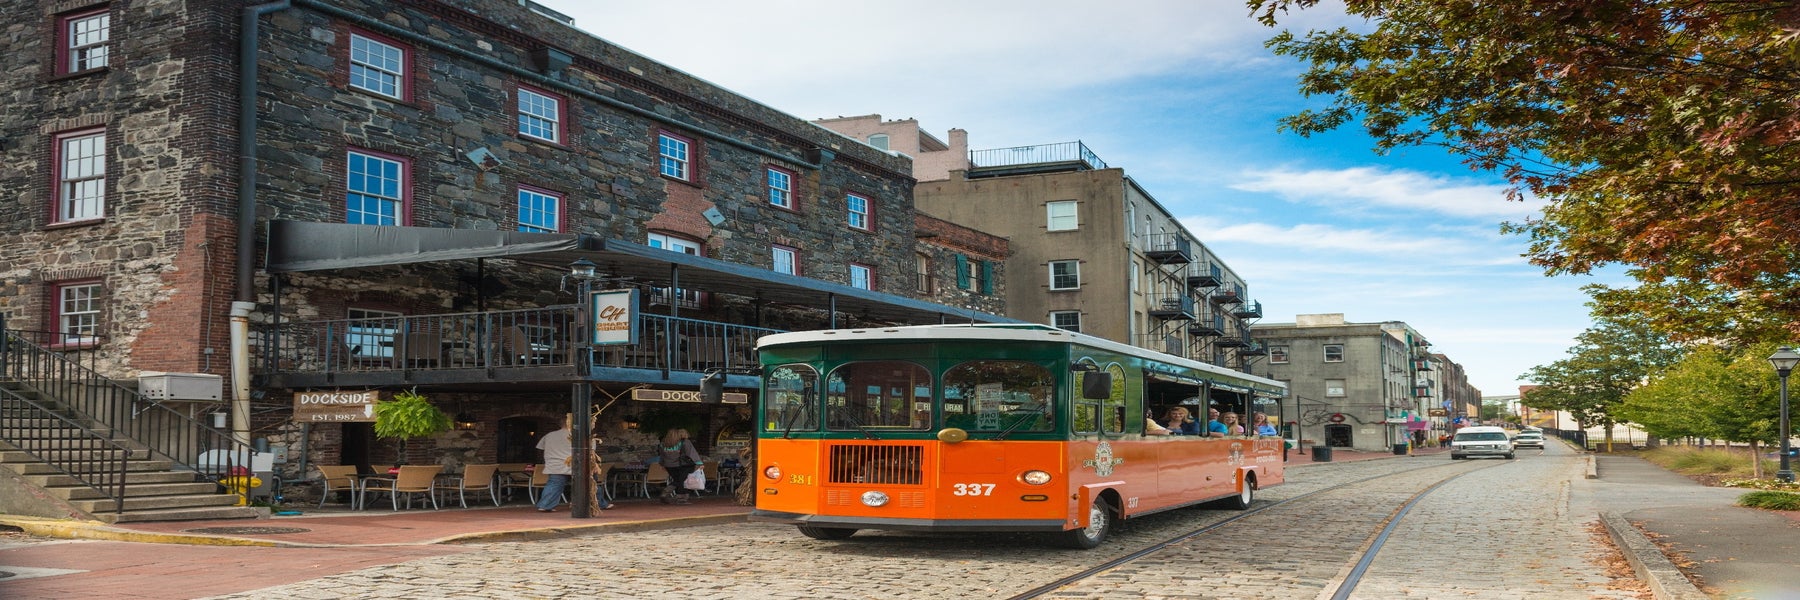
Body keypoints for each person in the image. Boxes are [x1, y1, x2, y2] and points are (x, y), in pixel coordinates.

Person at [535, 414, 573, 512]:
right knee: (588, 483)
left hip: (554, 464)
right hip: (573, 463)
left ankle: (545, 505)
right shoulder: (576, 435)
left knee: (553, 485)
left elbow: (540, 448)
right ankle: (598, 503)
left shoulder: (549, 435)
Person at [656, 428, 704, 504]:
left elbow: (662, 456)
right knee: (682, 481)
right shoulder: (684, 442)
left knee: (677, 480)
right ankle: (680, 498)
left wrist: (662, 464)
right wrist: (699, 463)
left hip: (669, 465)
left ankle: (666, 493)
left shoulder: (663, 444)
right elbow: (691, 452)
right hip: (682, 465)